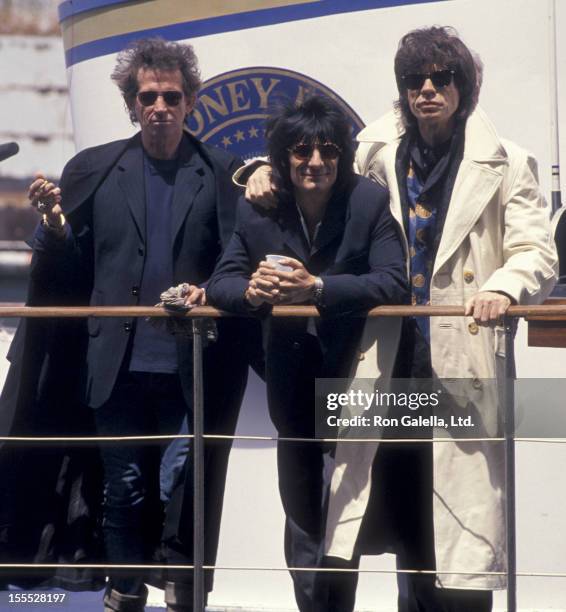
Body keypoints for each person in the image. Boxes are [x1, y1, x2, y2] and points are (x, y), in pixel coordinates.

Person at [242, 27, 557, 611]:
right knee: (357, 513)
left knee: (449, 527)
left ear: (465, 86)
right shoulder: (375, 146)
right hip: (380, 363)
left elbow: (537, 252)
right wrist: (260, 170)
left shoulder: (509, 162)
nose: (428, 90)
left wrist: (502, 287)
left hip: (458, 363)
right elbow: (315, 159)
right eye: (416, 80)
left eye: (442, 78)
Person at [1, 37, 261, 612]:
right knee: (124, 488)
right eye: (149, 96)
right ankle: (124, 595)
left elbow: (234, 260)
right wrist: (53, 225)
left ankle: (177, 593)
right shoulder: (95, 169)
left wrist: (208, 290)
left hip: (187, 366)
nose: (160, 106)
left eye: (172, 95)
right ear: (132, 103)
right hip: (112, 366)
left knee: (176, 488)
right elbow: (66, 263)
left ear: (190, 100)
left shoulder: (219, 175)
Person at [206, 95, 407, 611]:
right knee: (300, 517)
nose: (315, 162)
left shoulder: (366, 201)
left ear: (341, 155)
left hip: (357, 384)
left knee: (347, 517)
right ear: (282, 159)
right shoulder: (258, 208)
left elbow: (392, 281)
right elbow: (222, 281)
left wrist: (317, 288)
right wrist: (253, 293)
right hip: (291, 389)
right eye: (301, 151)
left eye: (327, 151)